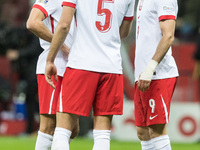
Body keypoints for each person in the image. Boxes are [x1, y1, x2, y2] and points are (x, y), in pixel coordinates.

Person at [45, 0, 135, 150]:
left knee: (62, 131)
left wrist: (50, 59)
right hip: (111, 66)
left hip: (81, 63)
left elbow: (64, 25)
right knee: (102, 134)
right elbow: (124, 32)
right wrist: (105, 39)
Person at [26, 0, 79, 149]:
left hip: (74, 66)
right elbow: (32, 23)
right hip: (56, 66)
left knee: (73, 129)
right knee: (49, 127)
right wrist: (60, 45)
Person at [134, 0, 179, 150]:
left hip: (157, 74)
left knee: (156, 130)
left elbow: (168, 36)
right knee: (143, 132)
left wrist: (151, 67)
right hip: (141, 74)